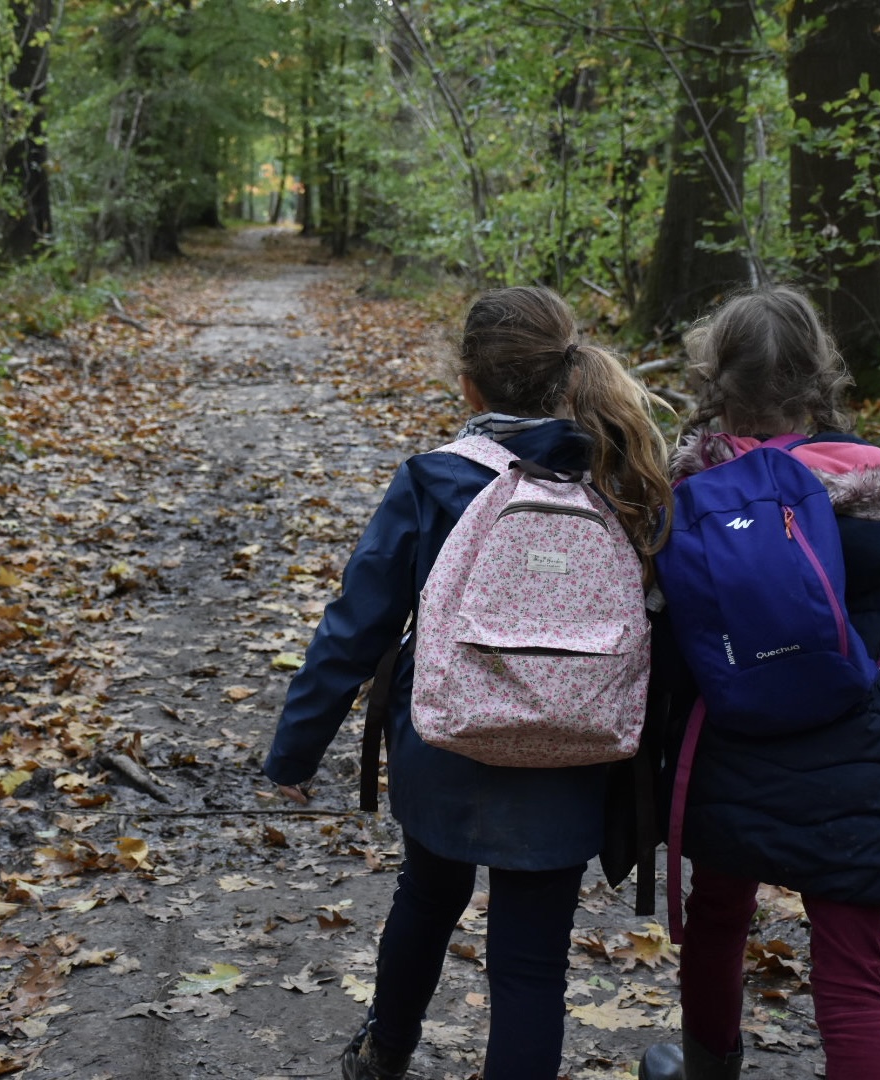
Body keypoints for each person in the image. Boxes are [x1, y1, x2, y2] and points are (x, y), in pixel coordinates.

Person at [261, 286, 672, 1080]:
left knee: (425, 897)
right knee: (530, 967)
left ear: (469, 385)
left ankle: (386, 1054)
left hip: (446, 747)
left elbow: (356, 626)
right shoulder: (619, 482)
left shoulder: (434, 480)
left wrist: (295, 754)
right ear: (566, 379)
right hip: (571, 752)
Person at [639, 286, 880, 1080]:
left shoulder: (686, 503)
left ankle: (707, 1068)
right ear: (820, 375)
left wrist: (648, 773)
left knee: (717, 921)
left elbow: (661, 655)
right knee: (853, 984)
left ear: (712, 379)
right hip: (855, 776)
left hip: (728, 759)